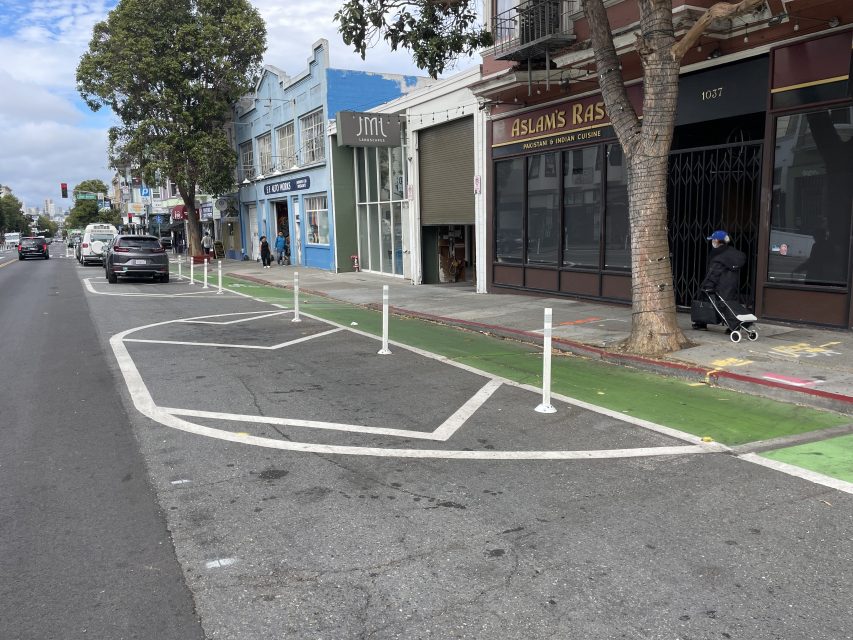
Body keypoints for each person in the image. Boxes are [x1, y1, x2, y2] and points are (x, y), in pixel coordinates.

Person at [692, 230, 747, 330]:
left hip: (719, 284)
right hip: (731, 284)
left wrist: (707, 285)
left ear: (717, 241)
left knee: (705, 299)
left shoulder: (718, 255)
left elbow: (714, 272)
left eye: (712, 240)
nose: (712, 242)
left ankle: (701, 323)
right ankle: (734, 325)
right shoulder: (734, 253)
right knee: (729, 303)